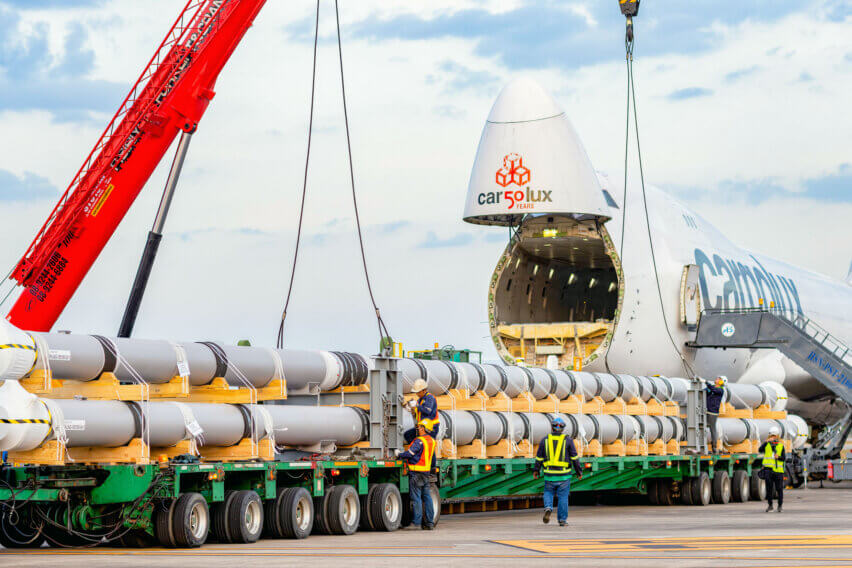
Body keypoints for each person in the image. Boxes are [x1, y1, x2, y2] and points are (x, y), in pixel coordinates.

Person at [533, 417, 583, 526]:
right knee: (563, 497)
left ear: (551, 427)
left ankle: (548, 507)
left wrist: (536, 470)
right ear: (563, 429)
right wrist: (579, 472)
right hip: (564, 476)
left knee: (548, 492)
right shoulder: (568, 440)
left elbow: (539, 458)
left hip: (549, 475)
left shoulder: (544, 440)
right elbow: (574, 458)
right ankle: (562, 520)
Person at [397, 421, 438, 529]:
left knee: (416, 499)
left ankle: (416, 523)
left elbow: (410, 454)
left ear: (423, 428)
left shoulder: (419, 441)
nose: (418, 429)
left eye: (419, 427)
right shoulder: (432, 441)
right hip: (426, 473)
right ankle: (429, 523)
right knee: (427, 498)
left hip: (416, 473)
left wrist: (399, 454)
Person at [403, 378, 439, 443]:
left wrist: (416, 405)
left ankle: (418, 450)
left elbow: (427, 411)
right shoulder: (420, 400)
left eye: (418, 392)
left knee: (428, 447)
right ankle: (416, 451)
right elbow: (419, 414)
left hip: (431, 428)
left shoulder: (430, 398)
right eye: (416, 392)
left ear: (424, 390)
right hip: (422, 427)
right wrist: (411, 409)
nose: (417, 394)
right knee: (408, 435)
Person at [759, 426, 786, 513]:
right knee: (769, 489)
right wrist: (765, 442)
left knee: (779, 489)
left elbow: (784, 458)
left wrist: (779, 457)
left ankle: (780, 506)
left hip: (778, 471)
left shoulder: (781, 446)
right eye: (772, 435)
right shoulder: (766, 445)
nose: (773, 437)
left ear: (777, 436)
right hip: (768, 470)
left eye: (774, 436)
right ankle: (770, 505)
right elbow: (760, 450)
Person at [705, 376, 726, 452]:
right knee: (702, 427)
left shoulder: (720, 390)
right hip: (706, 411)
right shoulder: (712, 388)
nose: (716, 379)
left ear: (721, 382)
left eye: (718, 379)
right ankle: (703, 446)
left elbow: (713, 389)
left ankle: (714, 446)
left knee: (712, 428)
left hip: (713, 412)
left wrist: (705, 382)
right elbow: (705, 391)